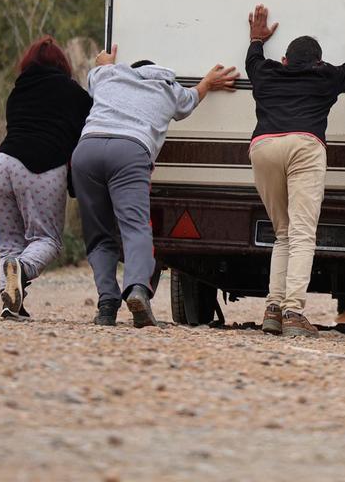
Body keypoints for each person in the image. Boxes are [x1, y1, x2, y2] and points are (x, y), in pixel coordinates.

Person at [247, 4, 345, 338]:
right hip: (304, 145)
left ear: (284, 59)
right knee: (301, 233)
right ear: (317, 62)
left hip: (264, 147)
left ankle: (273, 308)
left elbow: (252, 59)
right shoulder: (325, 77)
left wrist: (257, 38)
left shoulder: (266, 72)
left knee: (282, 232)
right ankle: (293, 312)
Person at [73, 47, 238, 328]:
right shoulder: (168, 89)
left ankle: (106, 303)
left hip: (86, 151)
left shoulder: (109, 77)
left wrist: (105, 63)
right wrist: (208, 83)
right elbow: (192, 98)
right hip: (129, 150)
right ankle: (137, 289)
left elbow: (97, 70)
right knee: (135, 227)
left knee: (99, 235)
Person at [0, 36, 93, 320]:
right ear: (62, 64)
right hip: (41, 169)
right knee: (46, 239)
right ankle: (21, 272)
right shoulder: (74, 94)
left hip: (1, 165)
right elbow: (83, 136)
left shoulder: (17, 92)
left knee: (9, 244)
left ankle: (11, 304)